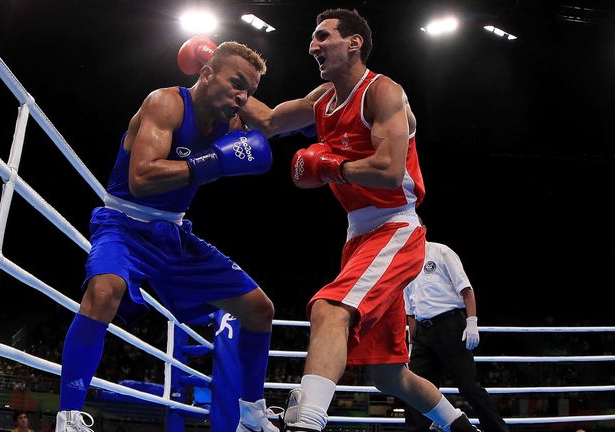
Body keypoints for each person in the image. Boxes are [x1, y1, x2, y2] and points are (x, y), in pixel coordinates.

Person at [240, 8, 481, 432]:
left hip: (396, 227)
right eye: (313, 39)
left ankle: (306, 424)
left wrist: (331, 166)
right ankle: (461, 427)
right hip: (358, 235)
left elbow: (389, 170)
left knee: (329, 310)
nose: (313, 46)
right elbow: (271, 121)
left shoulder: (383, 92)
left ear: (354, 43)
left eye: (323, 36)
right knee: (389, 374)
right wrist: (224, 83)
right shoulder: (321, 100)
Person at [56, 41, 279, 432]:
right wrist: (212, 163)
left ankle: (250, 413)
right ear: (206, 73)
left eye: (251, 91)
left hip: (174, 233)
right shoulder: (166, 103)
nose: (243, 97)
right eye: (237, 83)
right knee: (104, 291)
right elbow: (140, 180)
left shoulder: (232, 121)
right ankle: (69, 416)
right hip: (124, 223)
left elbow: (276, 124)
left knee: (259, 309)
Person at [404, 239, 509, 432]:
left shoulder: (441, 252)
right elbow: (410, 312)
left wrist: (472, 322)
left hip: (450, 325)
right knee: (415, 390)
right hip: (422, 334)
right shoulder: (404, 263)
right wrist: (412, 342)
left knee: (468, 386)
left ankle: (498, 430)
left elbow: (466, 289)